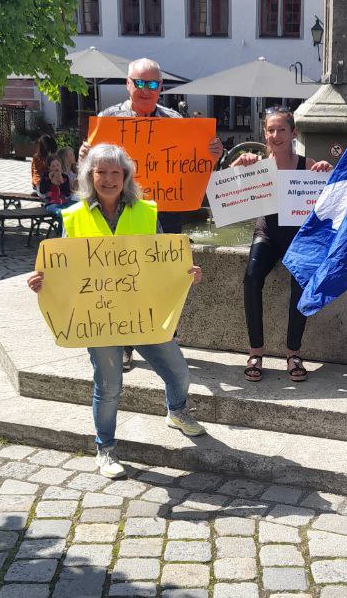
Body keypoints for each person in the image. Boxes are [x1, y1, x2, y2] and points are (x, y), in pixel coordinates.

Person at [27, 142, 205, 478]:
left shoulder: (146, 212)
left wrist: (186, 273)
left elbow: (162, 259)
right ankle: (105, 449)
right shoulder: (74, 216)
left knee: (179, 373)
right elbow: (60, 267)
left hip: (145, 314)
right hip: (99, 319)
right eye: (101, 172)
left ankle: (177, 411)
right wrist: (42, 281)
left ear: (125, 176)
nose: (108, 179)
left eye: (115, 172)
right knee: (109, 386)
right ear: (89, 176)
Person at [80, 57, 223, 373]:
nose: (146, 89)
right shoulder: (108, 120)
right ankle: (124, 345)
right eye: (140, 83)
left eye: (153, 84)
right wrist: (84, 156)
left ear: (161, 87)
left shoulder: (175, 120)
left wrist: (213, 154)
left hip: (166, 210)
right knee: (122, 277)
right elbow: (91, 170)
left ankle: (165, 337)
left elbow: (195, 164)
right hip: (122, 212)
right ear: (128, 84)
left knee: (166, 274)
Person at [231, 107, 331, 382]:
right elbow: (226, 193)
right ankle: (255, 351)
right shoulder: (257, 165)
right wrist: (236, 166)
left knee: (300, 283)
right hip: (267, 233)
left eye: (282, 130)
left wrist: (326, 172)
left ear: (293, 133)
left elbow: (330, 197)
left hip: (298, 238)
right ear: (265, 133)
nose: (276, 135)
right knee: (251, 278)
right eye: (271, 130)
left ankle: (293, 353)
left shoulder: (307, 165)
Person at [38, 154, 74, 225]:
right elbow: (42, 190)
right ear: (49, 168)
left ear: (61, 165)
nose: (56, 167)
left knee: (75, 206)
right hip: (51, 204)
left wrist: (62, 182)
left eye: (58, 165)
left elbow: (67, 193)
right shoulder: (46, 177)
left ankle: (65, 228)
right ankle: (61, 230)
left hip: (64, 203)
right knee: (62, 213)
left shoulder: (65, 177)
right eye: (53, 166)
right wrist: (49, 180)